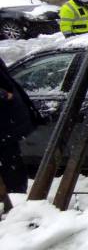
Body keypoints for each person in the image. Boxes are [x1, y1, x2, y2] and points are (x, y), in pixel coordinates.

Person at [0, 57, 43, 193]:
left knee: (10, 163)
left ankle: (14, 197)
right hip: (6, 122)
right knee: (10, 163)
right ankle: (14, 196)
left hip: (5, 123)